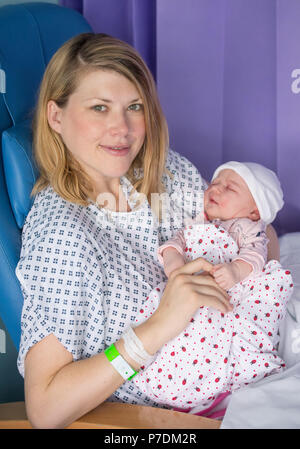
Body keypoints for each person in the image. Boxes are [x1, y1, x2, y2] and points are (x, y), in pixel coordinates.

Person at [16, 33, 278, 429]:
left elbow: (256, 227)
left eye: (133, 107)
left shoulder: (163, 173)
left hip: (246, 364)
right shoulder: (62, 234)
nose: (121, 128)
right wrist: (158, 327)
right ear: (56, 116)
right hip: (175, 413)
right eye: (99, 107)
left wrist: (247, 266)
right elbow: (47, 408)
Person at [131, 162, 293, 413]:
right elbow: (178, 241)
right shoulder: (198, 222)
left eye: (229, 187)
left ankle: (214, 388)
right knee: (182, 333)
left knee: (219, 328)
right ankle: (183, 383)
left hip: (226, 291)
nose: (215, 189)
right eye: (215, 183)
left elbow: (255, 255)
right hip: (192, 287)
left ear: (254, 211)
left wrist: (235, 271)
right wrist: (173, 259)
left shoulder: (248, 227)